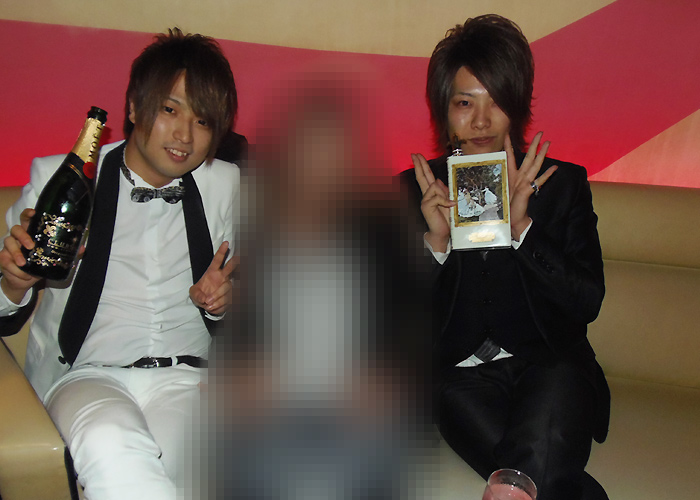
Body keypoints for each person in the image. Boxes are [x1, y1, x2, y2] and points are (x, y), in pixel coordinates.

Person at [0, 28, 240, 499]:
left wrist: (223, 303)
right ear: (133, 108)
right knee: (112, 443)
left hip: (188, 379)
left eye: (202, 120)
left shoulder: (227, 184)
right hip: (87, 374)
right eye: (170, 110)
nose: (185, 135)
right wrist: (14, 283)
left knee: (190, 462)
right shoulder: (59, 179)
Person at [400, 14, 610, 500]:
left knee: (530, 455)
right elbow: (397, 328)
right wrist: (435, 244)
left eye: (495, 101)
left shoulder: (562, 185)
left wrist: (522, 229)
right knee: (541, 476)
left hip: (552, 366)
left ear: (517, 106)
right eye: (464, 103)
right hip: (460, 378)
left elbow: (588, 301)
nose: (480, 121)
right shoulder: (413, 192)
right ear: (443, 111)